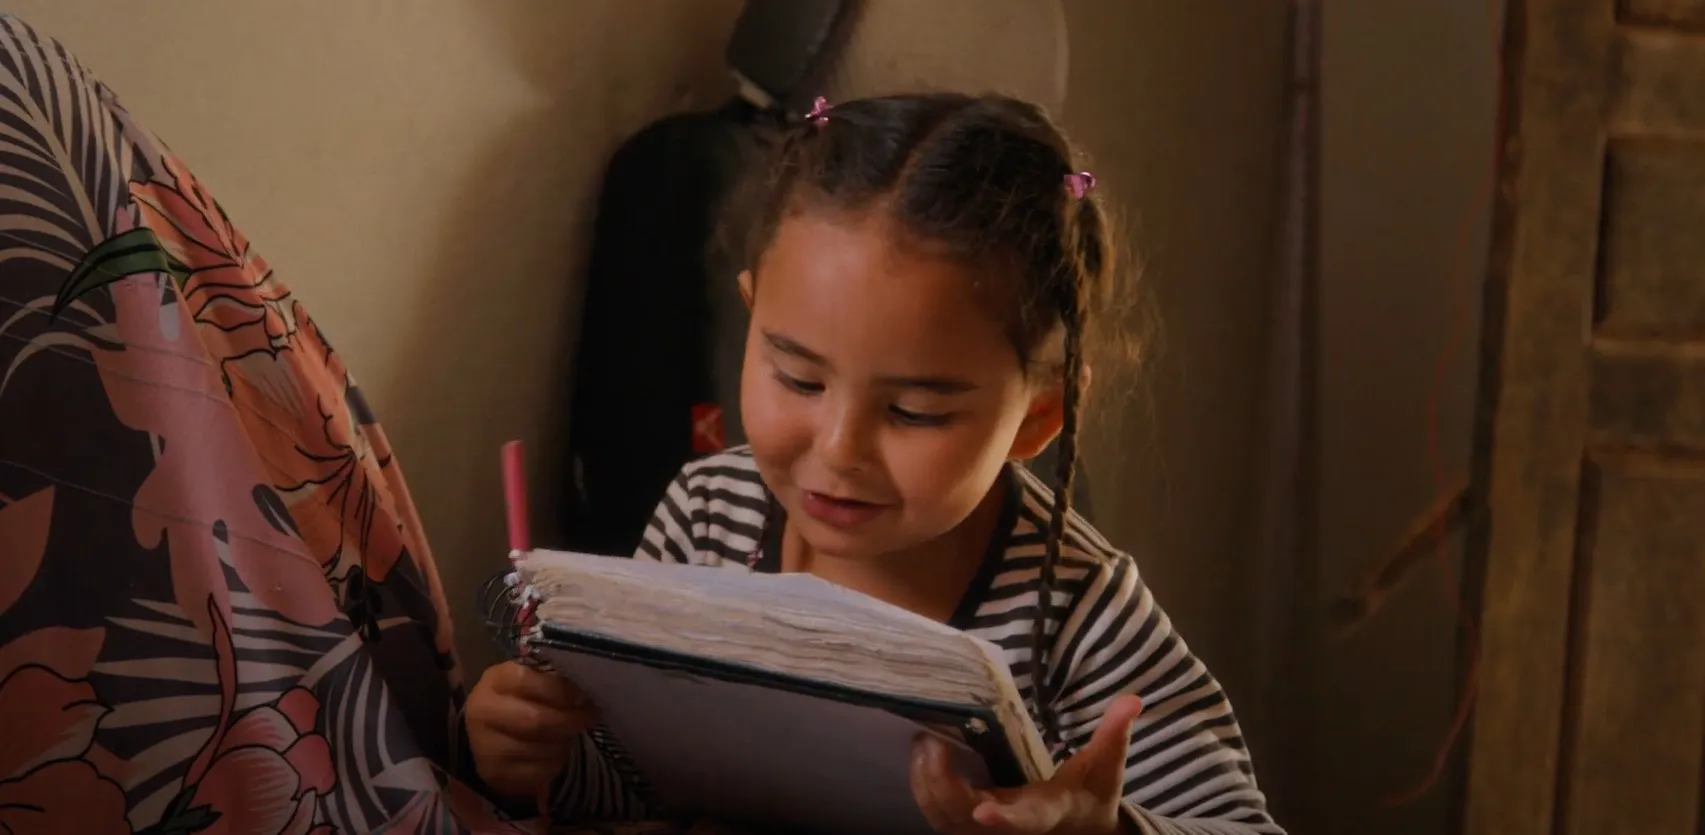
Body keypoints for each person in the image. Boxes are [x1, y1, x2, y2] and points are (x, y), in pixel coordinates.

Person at [467, 93, 1284, 835]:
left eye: (913, 412)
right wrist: (534, 752)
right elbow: (635, 778)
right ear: (751, 322)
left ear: (1036, 416)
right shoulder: (709, 512)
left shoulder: (1078, 614)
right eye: (797, 377)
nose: (837, 450)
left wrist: (1102, 832)